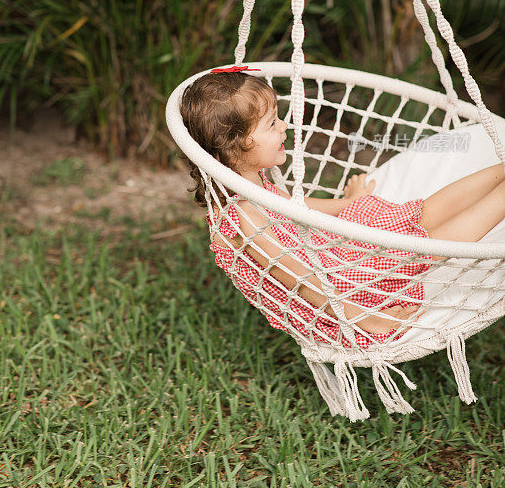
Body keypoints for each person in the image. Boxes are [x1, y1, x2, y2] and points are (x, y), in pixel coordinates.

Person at [180, 68, 505, 346]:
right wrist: (368, 320)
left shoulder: (247, 183)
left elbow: (292, 206)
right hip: (343, 295)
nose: (283, 127)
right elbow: (302, 281)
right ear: (233, 148)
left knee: (412, 214)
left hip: (335, 261)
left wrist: (349, 204)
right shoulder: (243, 219)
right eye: (270, 124)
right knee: (423, 243)